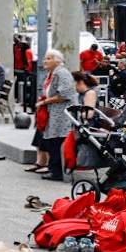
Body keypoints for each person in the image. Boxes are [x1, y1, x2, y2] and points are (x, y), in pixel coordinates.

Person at [34, 48, 78, 181]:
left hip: (62, 114)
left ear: (57, 61)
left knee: (57, 141)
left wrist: (45, 102)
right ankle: (54, 169)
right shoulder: (53, 73)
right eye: (45, 58)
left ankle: (57, 172)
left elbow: (65, 94)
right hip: (53, 113)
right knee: (53, 141)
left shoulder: (61, 73)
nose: (45, 61)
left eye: (48, 58)